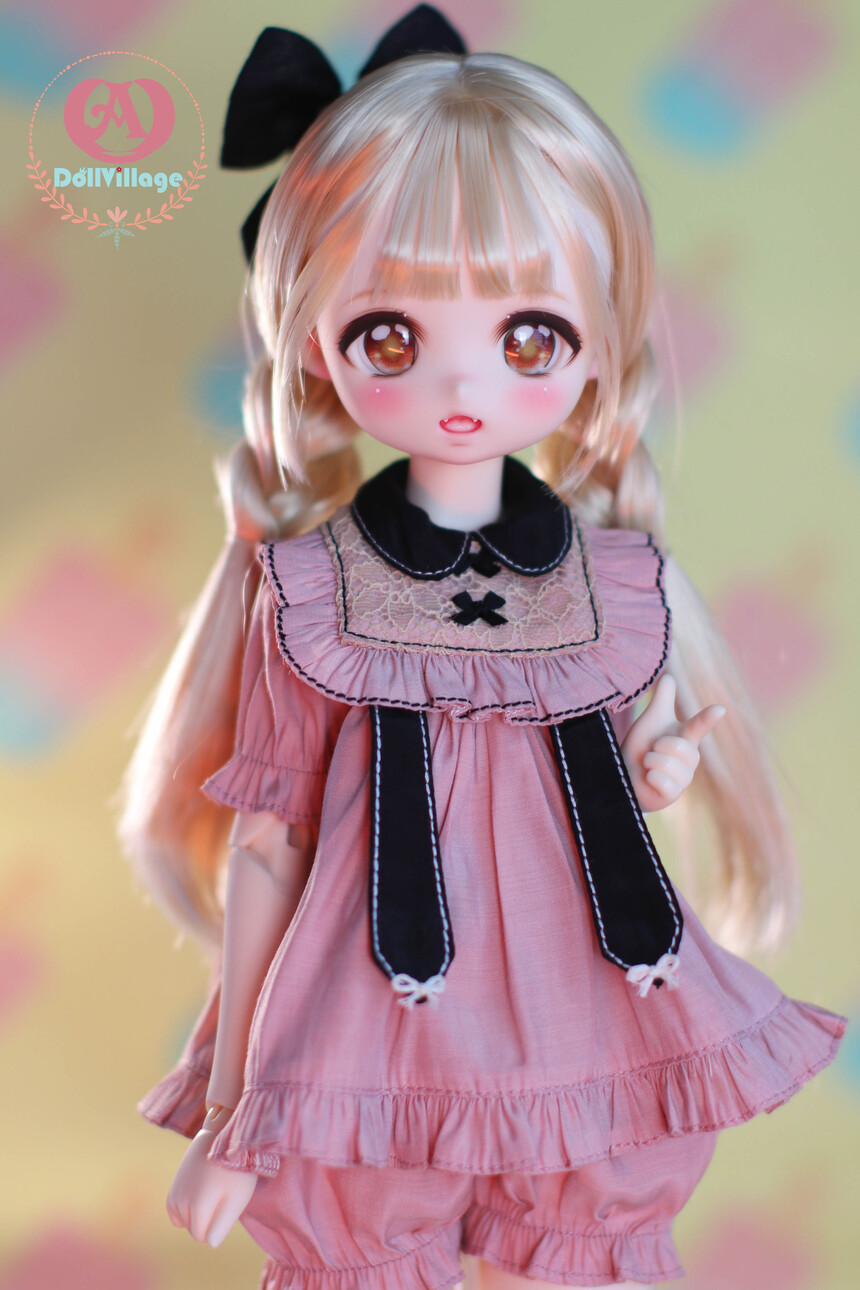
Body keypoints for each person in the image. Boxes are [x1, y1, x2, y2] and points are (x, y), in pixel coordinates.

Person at [121, 11, 845, 1288]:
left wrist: (652, 770)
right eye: (390, 336)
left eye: (527, 338)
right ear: (314, 342)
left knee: (589, 1242)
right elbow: (269, 846)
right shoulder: (309, 594)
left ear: (599, 346)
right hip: (371, 1046)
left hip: (589, 1022)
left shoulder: (613, 587)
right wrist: (238, 1111)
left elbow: (569, 796)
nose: (463, 385)